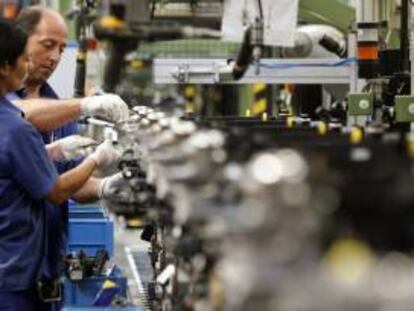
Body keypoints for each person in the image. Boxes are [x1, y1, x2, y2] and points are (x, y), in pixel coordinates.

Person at [7, 6, 132, 311]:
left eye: (62, 49)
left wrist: (105, 187)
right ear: (19, 42)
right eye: (48, 45)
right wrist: (88, 104)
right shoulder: (11, 105)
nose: (55, 57)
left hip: (46, 278)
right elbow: (22, 116)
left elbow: (70, 184)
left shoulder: (60, 109)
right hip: (8, 273)